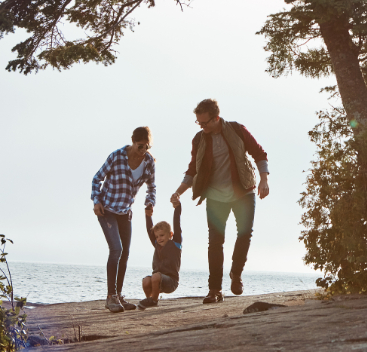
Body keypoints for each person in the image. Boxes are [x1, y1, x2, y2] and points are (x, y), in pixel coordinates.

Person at [171, 99, 270, 303]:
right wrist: (178, 192)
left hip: (243, 191)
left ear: (216, 118)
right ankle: (215, 289)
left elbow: (259, 153)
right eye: (199, 123)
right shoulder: (199, 140)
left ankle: (236, 273)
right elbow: (193, 169)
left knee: (244, 234)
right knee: (215, 242)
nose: (202, 127)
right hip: (215, 197)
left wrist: (264, 180)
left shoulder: (237, 129)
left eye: (205, 123)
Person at [91, 126, 156, 313]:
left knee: (125, 253)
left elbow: (152, 187)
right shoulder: (116, 156)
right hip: (107, 210)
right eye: (140, 146)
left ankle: (118, 296)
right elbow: (97, 179)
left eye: (147, 147)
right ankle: (110, 297)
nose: (143, 150)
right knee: (116, 249)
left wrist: (150, 203)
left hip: (125, 212)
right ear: (133, 141)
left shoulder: (149, 162)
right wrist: (96, 201)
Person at [138, 202, 182, 309]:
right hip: (156, 281)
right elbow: (150, 230)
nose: (159, 239)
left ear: (170, 235)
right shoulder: (157, 245)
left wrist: (177, 207)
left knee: (155, 276)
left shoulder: (175, 244)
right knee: (146, 280)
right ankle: (149, 300)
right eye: (157, 237)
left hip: (171, 282)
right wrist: (148, 215)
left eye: (162, 235)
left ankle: (154, 300)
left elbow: (177, 224)